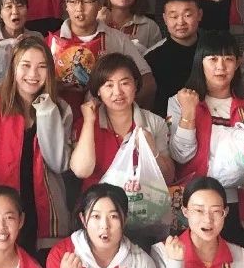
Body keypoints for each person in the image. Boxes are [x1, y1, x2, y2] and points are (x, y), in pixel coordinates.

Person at [169, 31, 244, 253]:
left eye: (228, 59)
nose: (221, 67)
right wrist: (188, 113)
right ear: (200, 62)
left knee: (240, 260)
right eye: (213, 59)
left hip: (240, 204)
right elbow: (181, 155)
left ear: (238, 63)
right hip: (196, 204)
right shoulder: (179, 101)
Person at [0, 38, 73, 258]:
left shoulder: (61, 109)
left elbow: (59, 163)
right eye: (25, 65)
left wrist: (46, 112)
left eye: (41, 67)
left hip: (47, 210)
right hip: (3, 211)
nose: (33, 74)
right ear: (13, 68)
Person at [70, 53, 174, 194]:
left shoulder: (154, 122)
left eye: (124, 83)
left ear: (135, 85)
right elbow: (81, 171)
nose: (117, 92)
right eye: (109, 85)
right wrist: (89, 122)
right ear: (98, 91)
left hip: (142, 203)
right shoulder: (85, 123)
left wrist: (152, 151)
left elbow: (168, 178)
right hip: (98, 203)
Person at [49, 0, 155, 111]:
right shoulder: (52, 42)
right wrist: (54, 87)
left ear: (100, 4)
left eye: (87, 1)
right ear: (65, 6)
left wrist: (121, 110)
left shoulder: (117, 40)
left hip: (106, 119)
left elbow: (148, 83)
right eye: (73, 1)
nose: (79, 8)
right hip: (62, 116)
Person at [145, 0, 202, 115]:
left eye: (187, 15)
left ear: (199, 15)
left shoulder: (213, 51)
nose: (180, 22)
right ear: (165, 19)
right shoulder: (153, 58)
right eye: (174, 16)